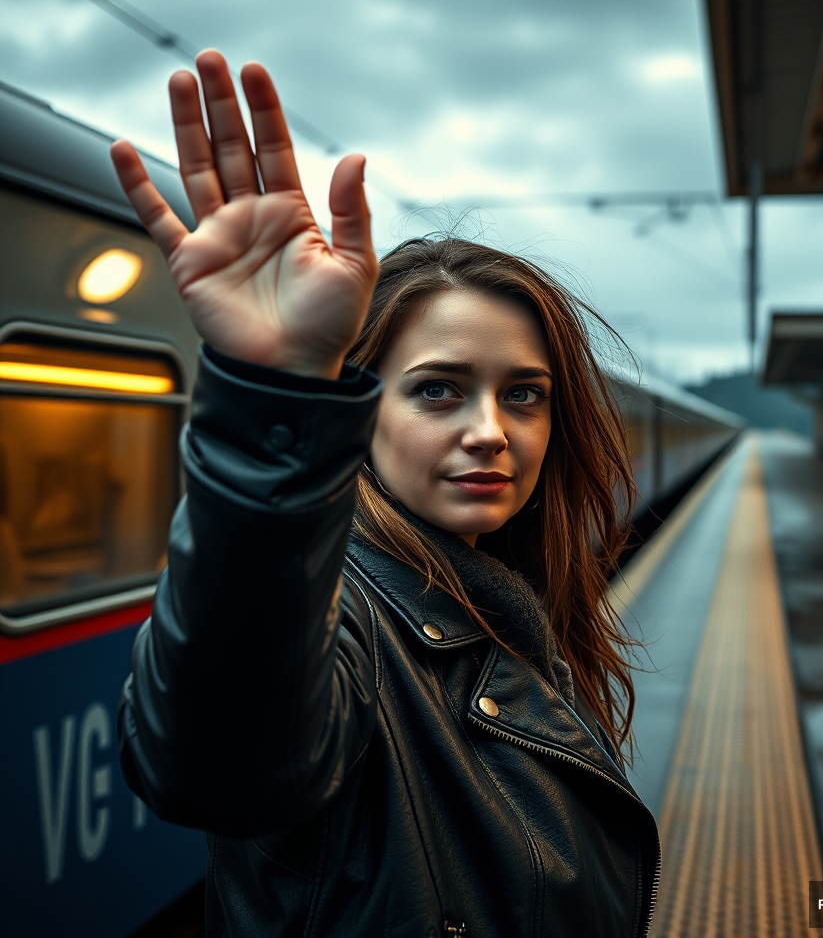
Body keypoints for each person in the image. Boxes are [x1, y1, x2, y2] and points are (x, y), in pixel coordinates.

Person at [112, 49, 660, 938]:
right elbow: (216, 763)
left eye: (523, 394)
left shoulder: (511, 610)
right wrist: (276, 396)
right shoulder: (346, 620)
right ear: (362, 408)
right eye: (437, 389)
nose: (490, 429)